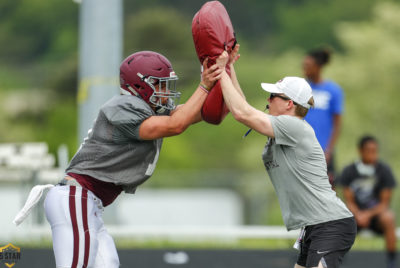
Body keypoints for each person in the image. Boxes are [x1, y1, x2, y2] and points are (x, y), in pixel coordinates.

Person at [39, 51, 223, 268]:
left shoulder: (148, 110)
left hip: (89, 203)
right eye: (160, 85)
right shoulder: (123, 106)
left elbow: (212, 111)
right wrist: (204, 86)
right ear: (140, 85)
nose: (166, 92)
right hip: (75, 197)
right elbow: (177, 125)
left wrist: (225, 74)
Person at [216, 48, 356, 268]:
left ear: (289, 104)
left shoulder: (293, 126)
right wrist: (228, 67)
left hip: (331, 225)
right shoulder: (285, 127)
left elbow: (241, 113)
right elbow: (244, 107)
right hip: (313, 227)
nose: (268, 99)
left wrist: (219, 71)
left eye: (274, 96)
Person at [339, 135, 397, 268]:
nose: (372, 154)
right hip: (355, 215)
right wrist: (358, 214)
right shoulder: (349, 171)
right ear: (360, 151)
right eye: (369, 150)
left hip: (376, 216)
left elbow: (384, 203)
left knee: (389, 217)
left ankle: (392, 261)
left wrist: (368, 215)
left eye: (375, 150)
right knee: (339, 219)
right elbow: (348, 200)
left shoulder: (384, 170)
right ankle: (336, 259)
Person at [303, 48, 344, 187]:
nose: (305, 70)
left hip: (323, 150)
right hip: (302, 148)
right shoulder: (301, 88)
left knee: (329, 189)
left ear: (318, 67)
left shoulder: (333, 90)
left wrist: (329, 150)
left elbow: (337, 123)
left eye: (308, 66)